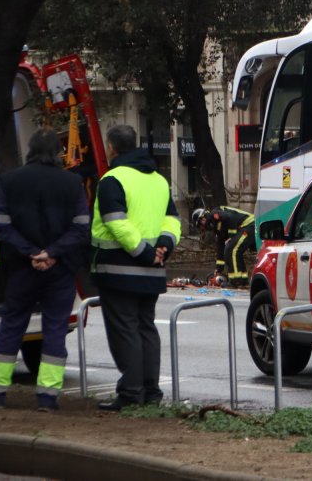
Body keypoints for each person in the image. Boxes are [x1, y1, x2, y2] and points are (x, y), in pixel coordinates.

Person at [0, 129, 90, 411]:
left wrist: (30, 253)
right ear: (57, 152)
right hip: (60, 269)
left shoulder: (10, 181)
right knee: (54, 328)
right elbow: (81, 228)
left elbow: (2, 226)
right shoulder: (72, 183)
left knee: (12, 325)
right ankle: (48, 396)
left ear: (30, 149)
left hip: (22, 268)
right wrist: (51, 253)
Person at [90, 124, 180, 411]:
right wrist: (162, 247)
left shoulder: (112, 179)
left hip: (119, 271)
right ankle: (150, 391)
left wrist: (144, 253)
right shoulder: (158, 180)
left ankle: (131, 393)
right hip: (152, 271)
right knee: (146, 329)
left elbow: (116, 221)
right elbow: (172, 220)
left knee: (124, 331)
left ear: (112, 148)